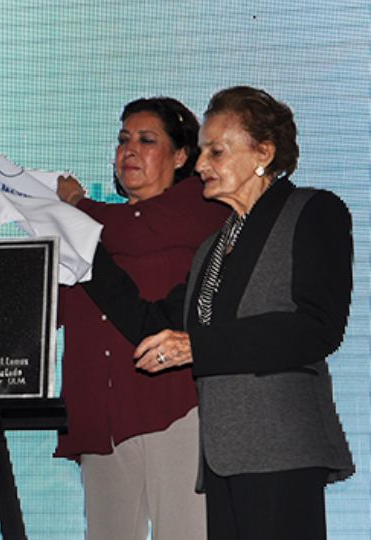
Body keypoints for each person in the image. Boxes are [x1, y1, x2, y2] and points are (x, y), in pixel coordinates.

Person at [82, 86, 354, 540]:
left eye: (216, 151)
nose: (200, 164)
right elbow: (154, 323)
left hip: (281, 448)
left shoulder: (312, 210)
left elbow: (315, 328)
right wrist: (83, 249)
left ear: (263, 152)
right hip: (221, 458)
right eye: (202, 151)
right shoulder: (214, 245)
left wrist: (197, 346)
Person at [55, 97, 229, 540]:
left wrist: (74, 206)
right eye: (123, 140)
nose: (128, 150)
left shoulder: (201, 207)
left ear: (182, 156)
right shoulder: (90, 232)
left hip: (173, 407)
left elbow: (130, 229)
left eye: (147, 140)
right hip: (102, 418)